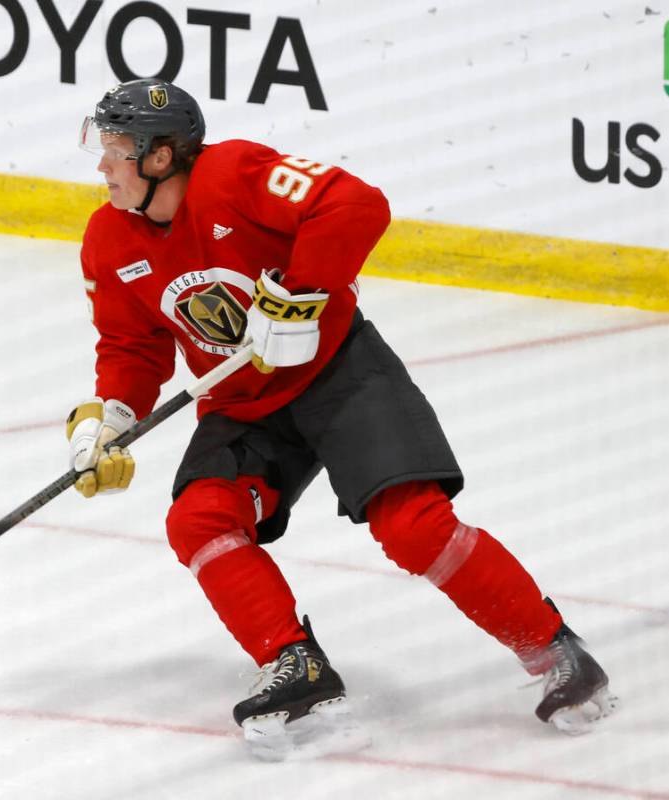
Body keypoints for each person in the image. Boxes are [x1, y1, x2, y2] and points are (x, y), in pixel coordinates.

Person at [65, 78, 616, 752]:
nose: (101, 166)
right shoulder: (107, 239)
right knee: (197, 518)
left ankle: (555, 651)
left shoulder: (234, 172)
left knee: (411, 526)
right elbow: (131, 344)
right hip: (242, 403)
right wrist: (110, 418)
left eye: (115, 150)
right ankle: (294, 662)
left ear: (158, 158)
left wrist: (299, 298)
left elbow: (355, 205)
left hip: (340, 373)